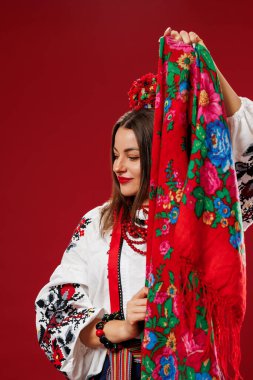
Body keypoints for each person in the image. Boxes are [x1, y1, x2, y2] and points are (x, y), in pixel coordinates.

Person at [35, 28, 253, 380]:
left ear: (157, 158)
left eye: (132, 156)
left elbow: (249, 153)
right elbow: (54, 312)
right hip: (122, 370)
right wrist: (114, 326)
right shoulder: (98, 224)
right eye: (114, 155)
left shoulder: (203, 216)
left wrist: (205, 63)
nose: (118, 167)